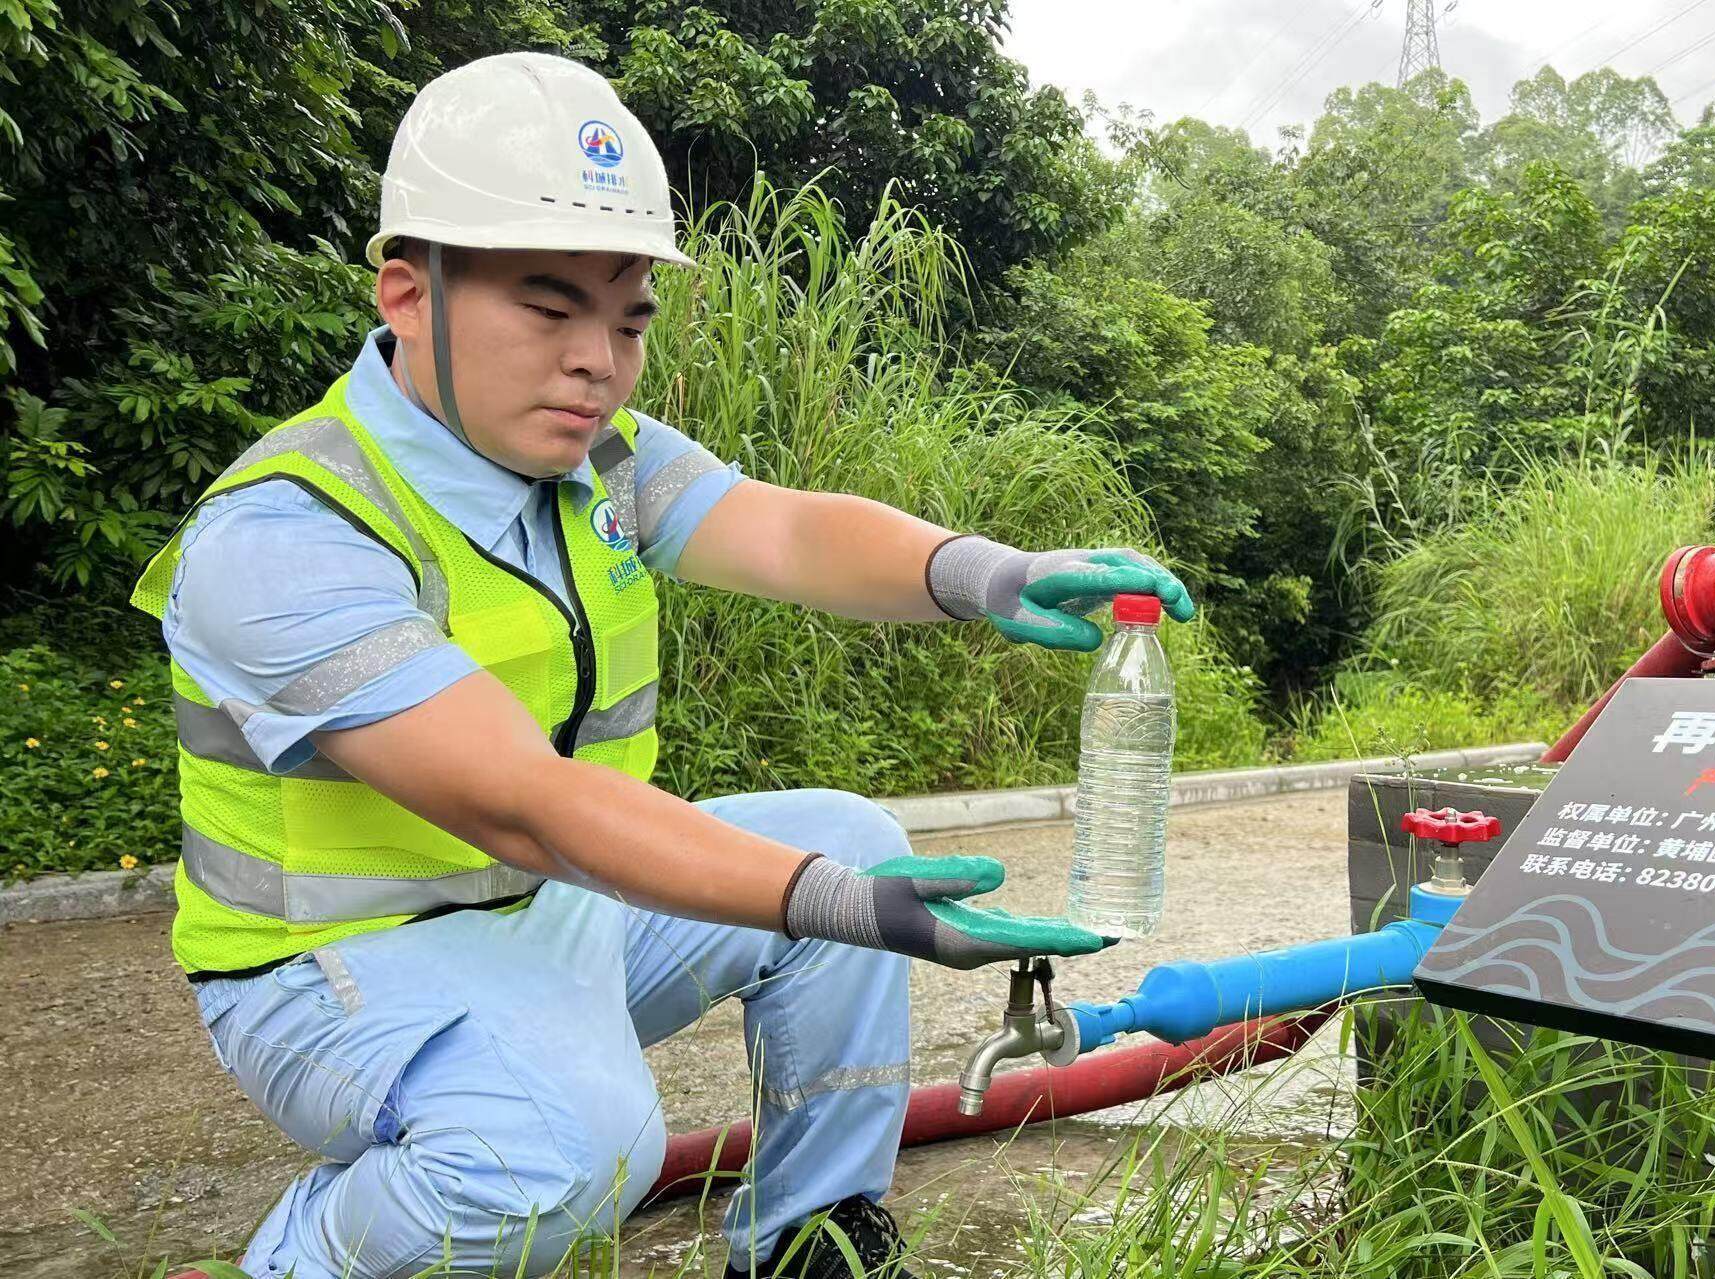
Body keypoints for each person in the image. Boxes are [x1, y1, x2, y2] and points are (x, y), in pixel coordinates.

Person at [129, 51, 1195, 1279]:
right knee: (571, 1152)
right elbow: (523, 803)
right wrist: (838, 905)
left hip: (553, 907)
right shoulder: (288, 533)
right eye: (547, 308)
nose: (597, 359)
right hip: (334, 972)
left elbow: (787, 527)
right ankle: (292, 1263)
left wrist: (992, 574)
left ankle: (811, 1233)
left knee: (849, 836)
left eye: (627, 318)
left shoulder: (601, 461)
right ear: (408, 292)